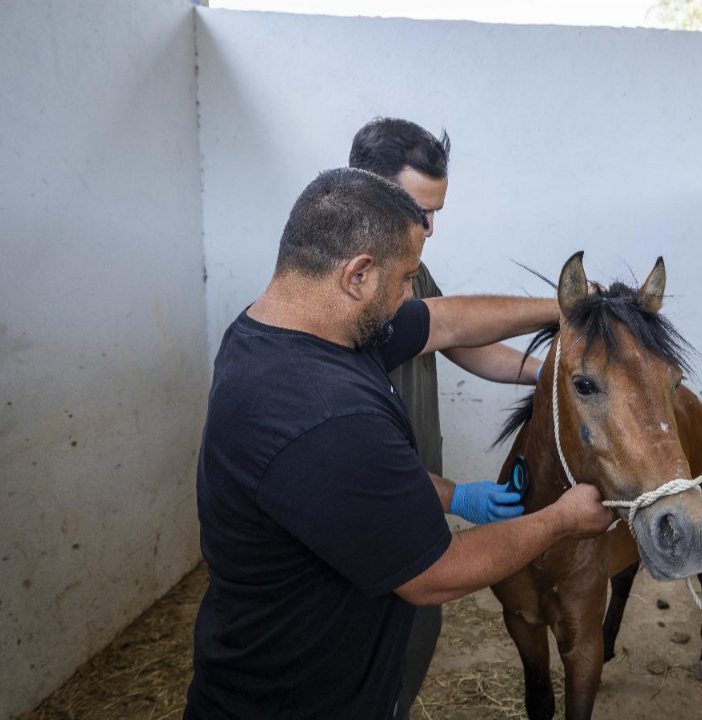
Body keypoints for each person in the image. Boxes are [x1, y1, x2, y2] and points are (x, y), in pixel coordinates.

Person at [183, 168, 614, 720]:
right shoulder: (324, 416)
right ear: (358, 275)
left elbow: (443, 321)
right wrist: (560, 519)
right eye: (408, 276)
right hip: (303, 703)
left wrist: (565, 310)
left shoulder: (286, 329)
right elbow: (434, 575)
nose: (412, 294)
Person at [347, 117, 540, 717]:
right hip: (376, 520)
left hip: (417, 512)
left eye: (435, 211)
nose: (429, 227)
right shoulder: (346, 296)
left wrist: (551, 372)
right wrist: (459, 497)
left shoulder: (412, 274)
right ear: (363, 193)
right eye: (417, 209)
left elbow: (458, 340)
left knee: (412, 643)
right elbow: (353, 466)